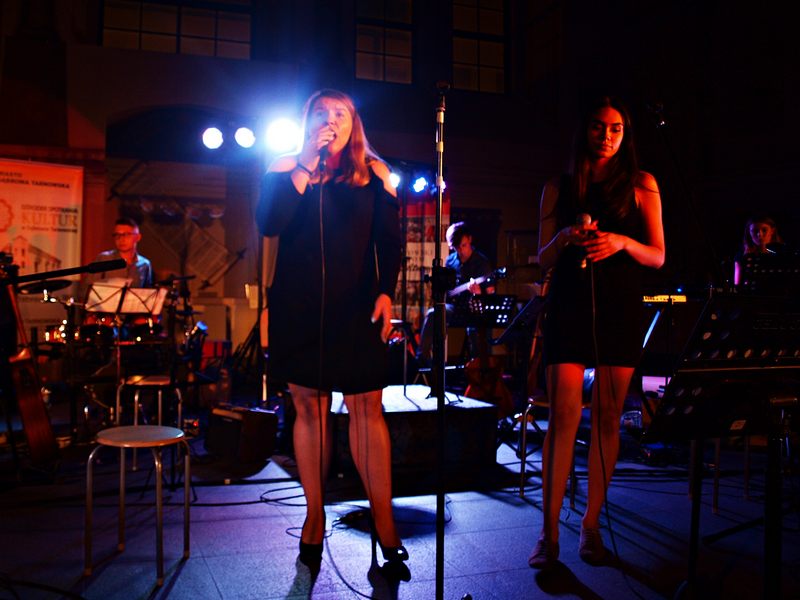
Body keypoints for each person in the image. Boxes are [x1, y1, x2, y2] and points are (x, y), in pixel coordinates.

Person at [256, 89, 407, 573]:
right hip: (299, 307)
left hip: (356, 307)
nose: (331, 120)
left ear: (353, 123)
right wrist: (305, 162)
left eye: (340, 113)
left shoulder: (375, 174)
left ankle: (385, 523)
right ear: (308, 122)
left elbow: (390, 242)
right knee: (310, 407)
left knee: (366, 407)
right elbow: (270, 223)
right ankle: (314, 514)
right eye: (321, 113)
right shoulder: (286, 166)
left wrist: (385, 292)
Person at [529, 95, 665, 569]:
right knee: (564, 415)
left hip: (618, 305)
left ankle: (590, 526)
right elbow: (542, 257)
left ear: (625, 133)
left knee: (608, 418)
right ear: (583, 130)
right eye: (597, 127)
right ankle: (548, 533)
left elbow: (658, 255)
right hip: (569, 302)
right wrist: (565, 237)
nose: (606, 136)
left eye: (615, 128)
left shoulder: (643, 184)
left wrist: (622, 241)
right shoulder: (559, 185)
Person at [417, 221, 496, 363]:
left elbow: (491, 294)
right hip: (455, 307)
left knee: (475, 328)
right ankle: (422, 359)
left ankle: (478, 365)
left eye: (464, 245)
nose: (461, 251)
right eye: (457, 248)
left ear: (469, 239)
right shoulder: (450, 261)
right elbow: (446, 290)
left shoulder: (482, 263)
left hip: (474, 308)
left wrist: (478, 293)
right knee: (433, 313)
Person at [80, 216, 153, 298]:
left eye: (126, 234)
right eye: (117, 235)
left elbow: (148, 294)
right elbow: (87, 289)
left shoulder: (145, 264)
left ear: (138, 237)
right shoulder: (104, 258)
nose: (121, 239)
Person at [733, 215, 784, 286]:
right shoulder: (742, 256)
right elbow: (737, 284)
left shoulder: (782, 253)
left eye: (764, 230)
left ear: (772, 231)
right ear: (749, 233)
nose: (759, 234)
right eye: (754, 231)